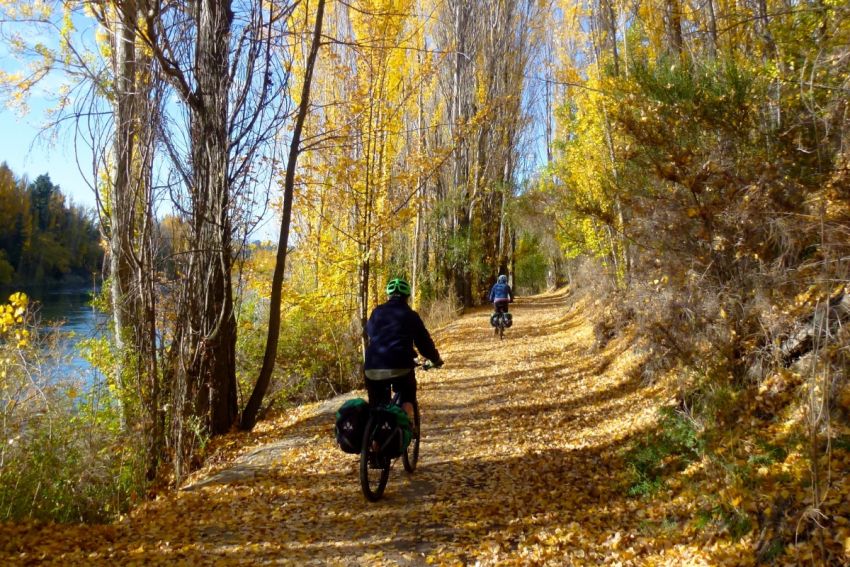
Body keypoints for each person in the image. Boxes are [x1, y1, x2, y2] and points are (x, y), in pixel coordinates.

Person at [364, 277, 443, 423]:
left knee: (375, 408)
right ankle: (407, 428)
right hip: (400, 366)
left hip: (372, 367)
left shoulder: (376, 312)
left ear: (388, 296)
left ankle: (373, 442)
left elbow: (369, 333)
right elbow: (424, 343)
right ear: (407, 297)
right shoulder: (411, 315)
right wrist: (435, 359)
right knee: (408, 396)